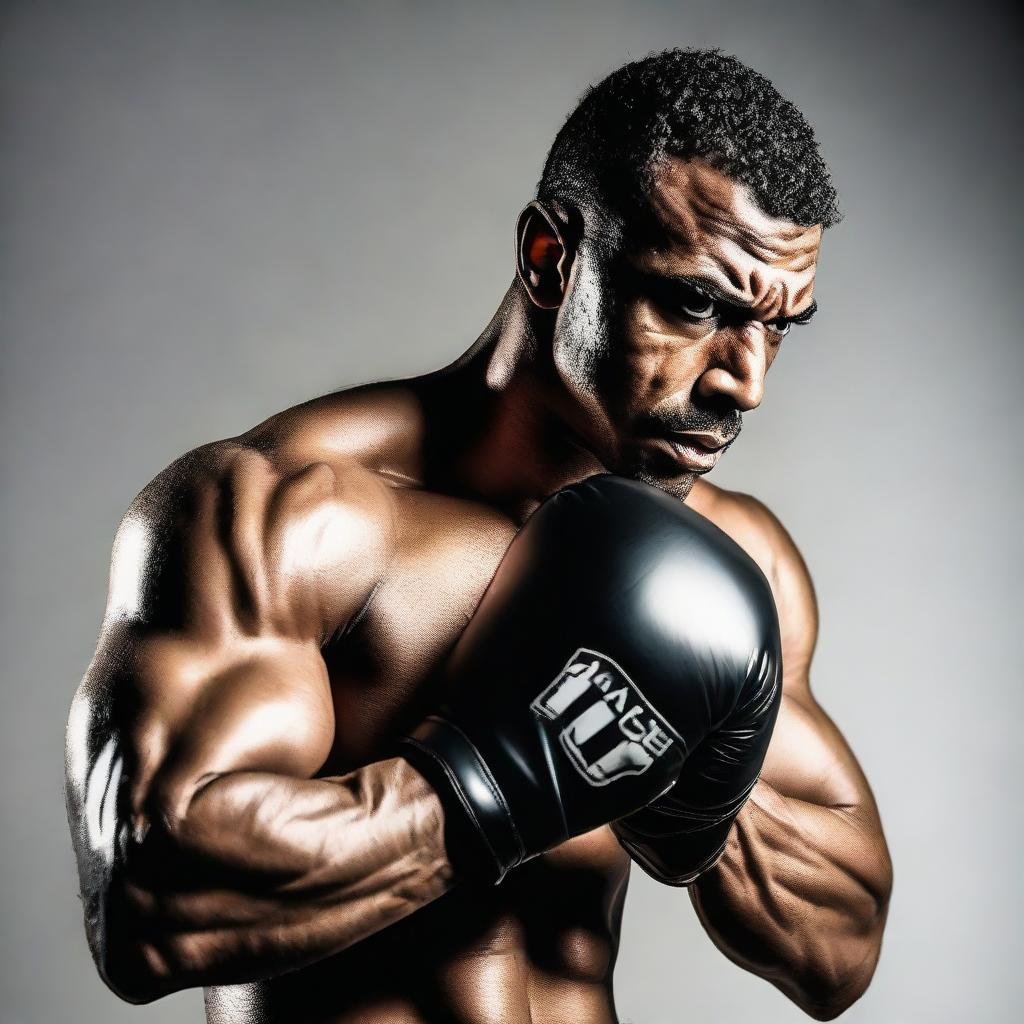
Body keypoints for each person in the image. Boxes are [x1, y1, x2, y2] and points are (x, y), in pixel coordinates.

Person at [65, 48, 893, 1023]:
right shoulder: (296, 513)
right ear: (551, 260)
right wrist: (506, 775)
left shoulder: (731, 562)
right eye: (696, 304)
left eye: (777, 325)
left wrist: (694, 795)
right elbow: (146, 903)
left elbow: (840, 948)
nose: (742, 381)